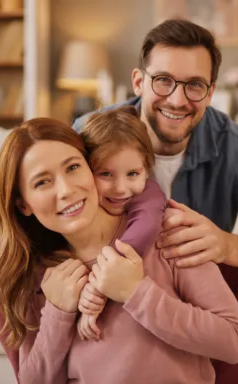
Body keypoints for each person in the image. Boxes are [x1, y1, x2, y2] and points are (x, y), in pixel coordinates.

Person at [73, 19, 238, 384]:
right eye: (163, 80)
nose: (177, 99)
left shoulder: (237, 147)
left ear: (211, 91)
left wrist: (226, 245)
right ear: (139, 81)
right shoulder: (90, 133)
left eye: (194, 86)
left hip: (193, 280)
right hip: (100, 271)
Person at [0, 117, 238, 384]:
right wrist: (58, 313)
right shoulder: (37, 275)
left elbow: (233, 341)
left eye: (72, 168)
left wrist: (136, 293)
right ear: (24, 205)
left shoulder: (167, 234)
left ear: (93, 167)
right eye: (42, 182)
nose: (67, 190)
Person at [76, 105, 168, 340]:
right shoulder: (77, 201)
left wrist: (97, 286)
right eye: (105, 174)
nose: (120, 188)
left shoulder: (149, 195)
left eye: (132, 174)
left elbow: (143, 229)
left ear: (147, 170)